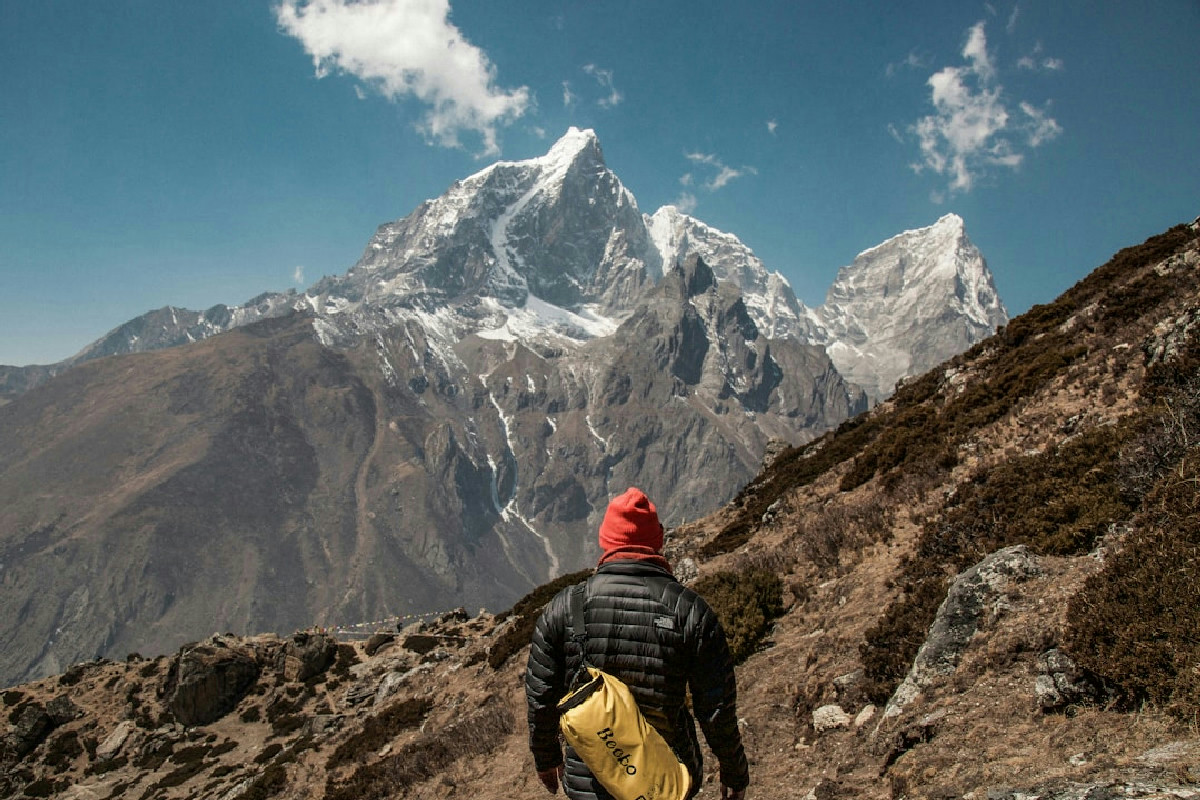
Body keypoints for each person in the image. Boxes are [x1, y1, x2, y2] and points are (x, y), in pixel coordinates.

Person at [525, 487, 750, 800]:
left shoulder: (565, 607)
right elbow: (716, 708)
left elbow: (541, 695)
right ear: (657, 540)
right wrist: (733, 770)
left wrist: (546, 758)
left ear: (605, 540)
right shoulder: (689, 612)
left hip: (590, 777)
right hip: (665, 776)